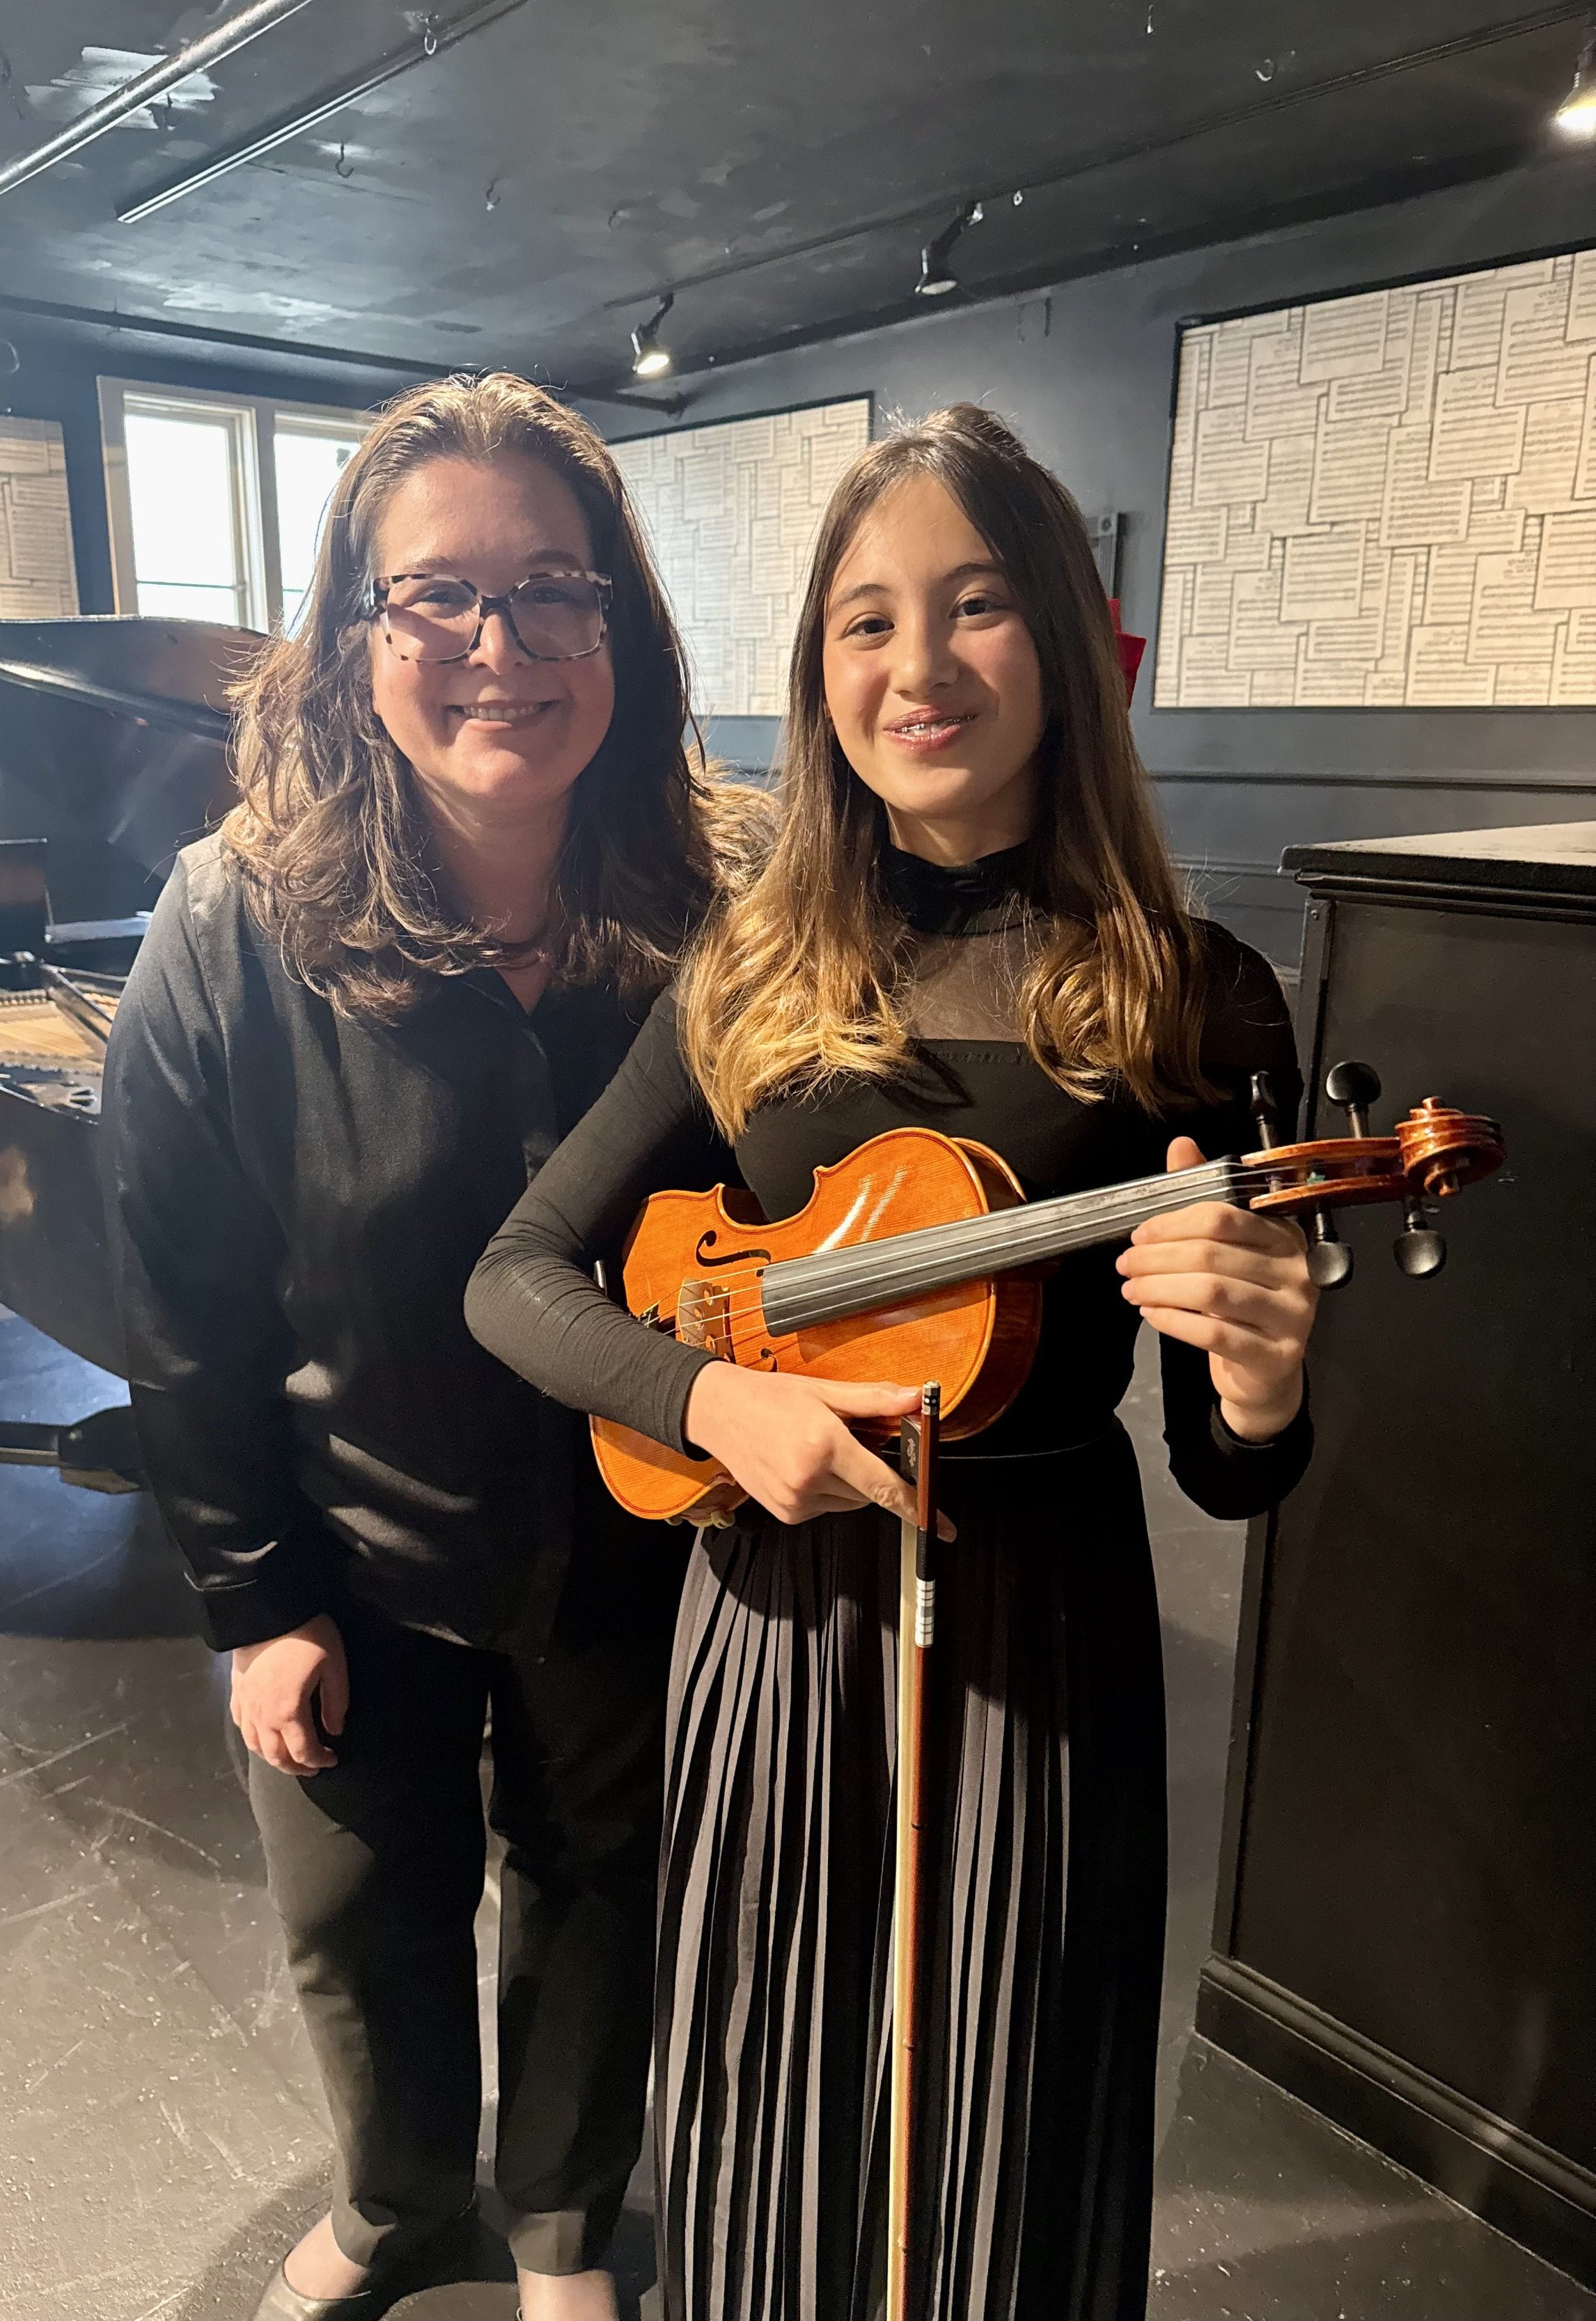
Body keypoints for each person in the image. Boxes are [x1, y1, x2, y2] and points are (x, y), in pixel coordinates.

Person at [466, 403, 1321, 2321]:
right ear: (816, 671)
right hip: (774, 1613)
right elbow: (516, 1279)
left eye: (973, 606)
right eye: (864, 621)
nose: (916, 666)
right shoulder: (748, 975)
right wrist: (710, 1400)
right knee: (768, 2101)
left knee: (1005, 2106)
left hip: (1040, 1619)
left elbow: (1222, 1459)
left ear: (1064, 648)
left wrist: (1260, 1379)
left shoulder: (1195, 994)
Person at [103, 373, 715, 2321]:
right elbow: (174, 1297)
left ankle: (554, 2225)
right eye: (433, 594)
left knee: (597, 1896)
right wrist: (252, 1597)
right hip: (352, 1551)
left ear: (616, 620)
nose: (499, 649)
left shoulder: (728, 907)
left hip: (642, 1535)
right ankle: (391, 2203)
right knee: (360, 1917)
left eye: (552, 591)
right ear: (355, 633)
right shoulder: (232, 918)